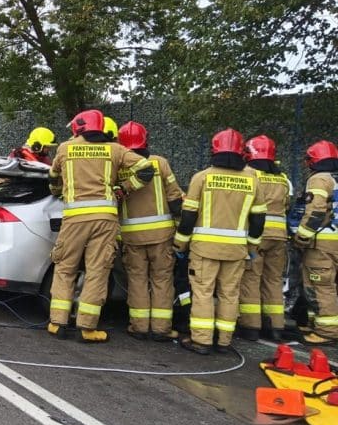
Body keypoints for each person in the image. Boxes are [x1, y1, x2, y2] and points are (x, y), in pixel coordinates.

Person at [47, 109, 154, 343]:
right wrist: (124, 188)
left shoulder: (65, 148)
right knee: (97, 271)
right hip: (105, 220)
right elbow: (147, 169)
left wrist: (58, 191)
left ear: (78, 127)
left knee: (65, 268)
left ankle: (58, 323)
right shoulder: (115, 149)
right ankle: (87, 328)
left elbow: (53, 178)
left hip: (74, 219)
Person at [174, 128, 267, 355]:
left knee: (203, 292)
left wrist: (180, 244)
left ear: (214, 149)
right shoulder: (252, 180)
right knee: (229, 293)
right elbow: (258, 219)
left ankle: (202, 341)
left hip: (204, 249)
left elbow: (188, 216)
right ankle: (224, 341)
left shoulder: (202, 177)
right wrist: (252, 246)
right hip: (236, 250)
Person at [116, 121, 185, 341]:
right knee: (162, 280)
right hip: (162, 236)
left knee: (137, 280)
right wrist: (179, 228)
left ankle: (139, 327)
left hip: (132, 237)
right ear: (146, 140)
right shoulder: (160, 163)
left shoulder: (118, 168)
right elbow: (175, 198)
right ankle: (160, 329)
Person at [236, 135, 291, 342]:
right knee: (274, 280)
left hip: (257, 234)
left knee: (251, 277)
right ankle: (276, 326)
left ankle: (251, 326)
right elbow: (286, 205)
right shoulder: (282, 178)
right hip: (279, 236)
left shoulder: (249, 174)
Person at [292, 140, 338, 345]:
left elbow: (316, 211)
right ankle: (316, 323)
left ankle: (327, 331)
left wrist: (301, 237)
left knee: (321, 285)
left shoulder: (320, 179)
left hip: (324, 244)